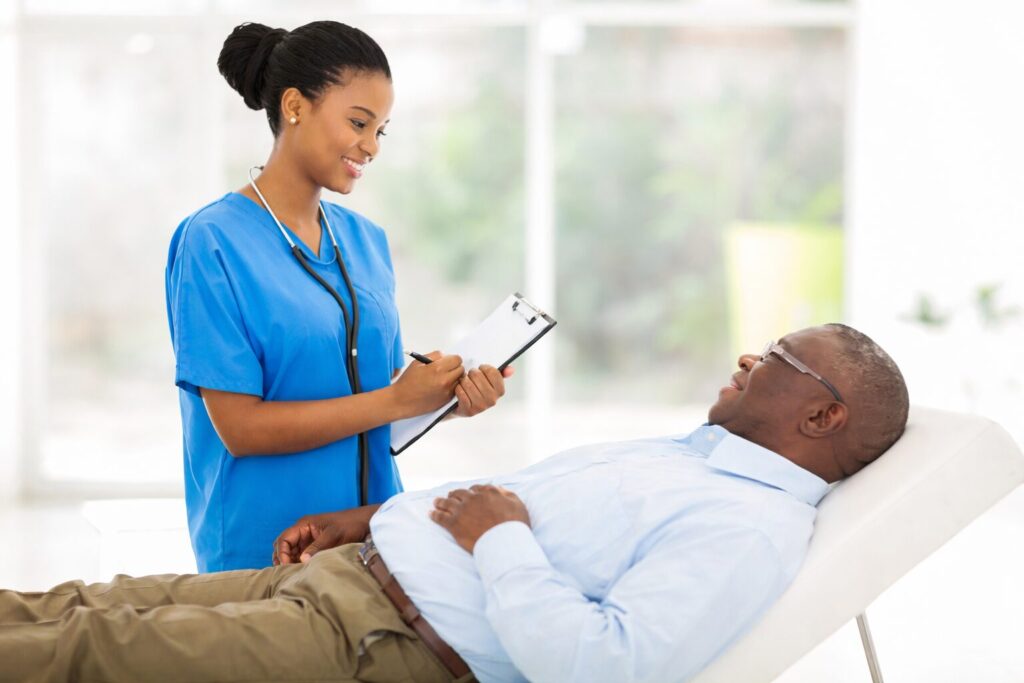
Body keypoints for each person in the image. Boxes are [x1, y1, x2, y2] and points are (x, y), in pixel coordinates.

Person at [0, 324, 909, 683]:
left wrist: (501, 536)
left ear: (823, 415)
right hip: (348, 575)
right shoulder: (698, 460)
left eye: (776, 358)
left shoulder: (749, 529)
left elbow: (605, 664)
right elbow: (508, 505)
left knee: (88, 653)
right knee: (85, 604)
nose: (747, 357)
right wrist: (371, 522)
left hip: (377, 643)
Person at [165, 21, 511, 572]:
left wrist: (444, 400)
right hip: (264, 553)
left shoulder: (366, 242)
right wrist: (398, 400)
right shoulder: (211, 241)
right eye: (358, 122)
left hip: (373, 545)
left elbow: (374, 405)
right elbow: (240, 429)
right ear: (295, 106)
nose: (371, 146)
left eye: (381, 131)